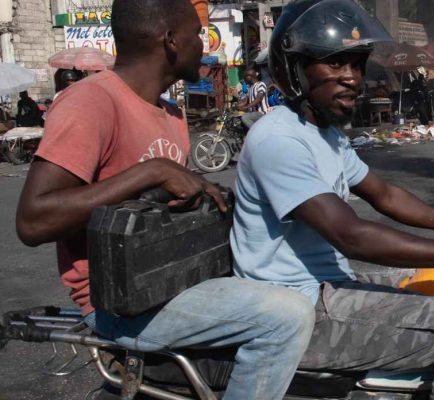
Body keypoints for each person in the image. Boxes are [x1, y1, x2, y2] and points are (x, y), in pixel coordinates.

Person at [14, 1, 315, 399]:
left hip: (173, 281)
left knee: (301, 283)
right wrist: (150, 171)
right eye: (196, 36)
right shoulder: (92, 101)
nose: (204, 48)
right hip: (118, 304)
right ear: (171, 41)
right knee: (286, 317)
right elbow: (33, 221)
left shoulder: (171, 113)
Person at [242, 1, 434, 399]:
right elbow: (352, 235)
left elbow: (386, 195)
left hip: (330, 286)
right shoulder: (279, 140)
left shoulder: (325, 135)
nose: (352, 78)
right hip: (299, 311)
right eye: (335, 64)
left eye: (357, 64)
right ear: (294, 69)